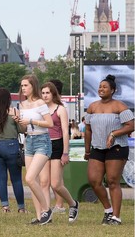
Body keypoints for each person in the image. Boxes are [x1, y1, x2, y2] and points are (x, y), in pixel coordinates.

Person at [84, 75, 134, 225]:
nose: (101, 89)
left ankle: (116, 217)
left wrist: (113, 133)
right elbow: (87, 130)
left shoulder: (120, 106)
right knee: (94, 180)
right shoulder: (92, 106)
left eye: (105, 87)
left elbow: (131, 126)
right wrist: (87, 150)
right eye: (100, 87)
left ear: (113, 90)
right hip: (97, 148)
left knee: (112, 181)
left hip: (116, 148)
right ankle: (108, 210)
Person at [16, 74, 54, 225]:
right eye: (22, 85)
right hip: (29, 141)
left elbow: (49, 123)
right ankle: (40, 217)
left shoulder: (40, 103)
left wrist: (31, 120)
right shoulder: (22, 105)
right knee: (33, 182)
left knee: (30, 178)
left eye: (26, 85)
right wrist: (19, 122)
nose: (23, 88)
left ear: (33, 86)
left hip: (42, 141)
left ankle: (46, 210)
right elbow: (23, 128)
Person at [40, 82, 79, 223]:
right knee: (44, 182)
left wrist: (65, 152)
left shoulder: (60, 109)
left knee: (55, 184)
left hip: (57, 145)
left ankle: (73, 204)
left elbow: (65, 131)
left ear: (53, 94)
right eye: (43, 93)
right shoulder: (40, 109)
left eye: (47, 93)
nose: (45, 95)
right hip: (43, 145)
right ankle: (46, 212)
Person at [0, 88, 27, 213]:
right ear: (9, 99)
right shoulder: (14, 111)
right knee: (16, 178)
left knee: (1, 178)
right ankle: (21, 207)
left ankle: (5, 206)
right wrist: (17, 120)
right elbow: (22, 130)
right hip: (11, 146)